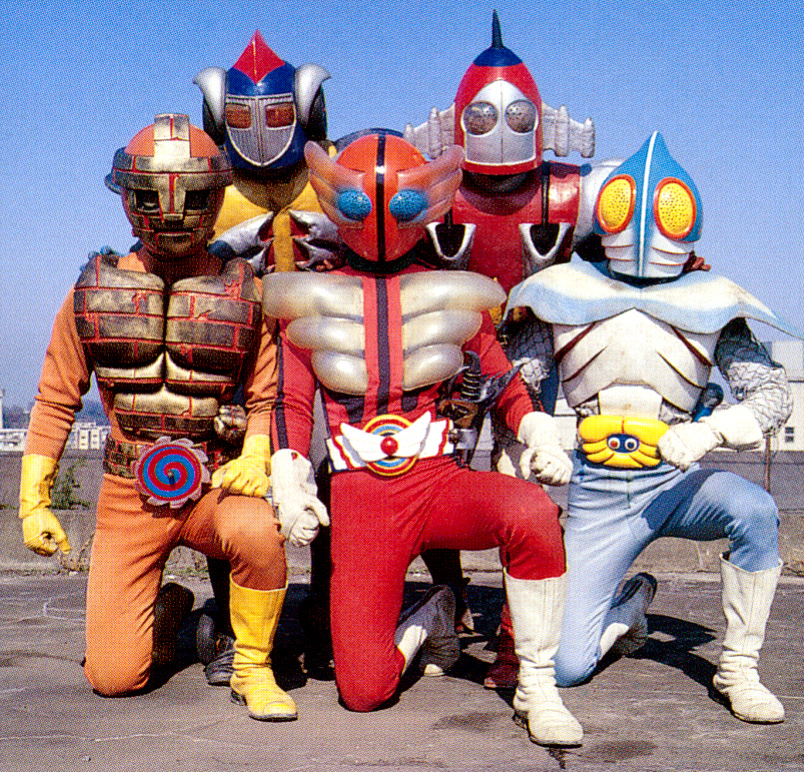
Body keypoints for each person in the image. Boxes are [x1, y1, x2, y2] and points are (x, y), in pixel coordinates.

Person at [262, 132, 583, 747]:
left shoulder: (450, 292)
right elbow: (291, 404)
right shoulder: (308, 298)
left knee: (532, 512)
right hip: (361, 496)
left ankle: (538, 683)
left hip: (438, 480)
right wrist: (290, 480)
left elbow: (503, 383)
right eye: (361, 204)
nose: (381, 220)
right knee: (364, 689)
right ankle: (430, 613)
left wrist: (538, 430)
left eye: (401, 204)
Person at [505, 132, 799, 724]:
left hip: (676, 480)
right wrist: (534, 441)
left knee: (755, 510)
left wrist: (710, 433)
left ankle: (739, 667)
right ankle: (627, 608)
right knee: (566, 666)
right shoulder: (559, 290)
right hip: (598, 489)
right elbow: (515, 385)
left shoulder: (714, 299)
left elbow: (772, 394)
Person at [17, 114, 295, 721]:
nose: (171, 213)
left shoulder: (248, 293)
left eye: (191, 197)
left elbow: (266, 397)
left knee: (258, 532)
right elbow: (57, 396)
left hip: (213, 483)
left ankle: (253, 665)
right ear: (130, 195)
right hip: (128, 491)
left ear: (214, 196)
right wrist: (33, 498)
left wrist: (255, 455)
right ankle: (167, 610)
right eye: (153, 197)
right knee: (114, 677)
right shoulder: (93, 292)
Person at [404, 11, 613, 688]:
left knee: (524, 476)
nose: (500, 128)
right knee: (433, 472)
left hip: (528, 345)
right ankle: (450, 599)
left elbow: (631, 237)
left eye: (516, 116)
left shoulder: (573, 190)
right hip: (453, 341)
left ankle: (519, 637)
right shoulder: (430, 188)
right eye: (485, 116)